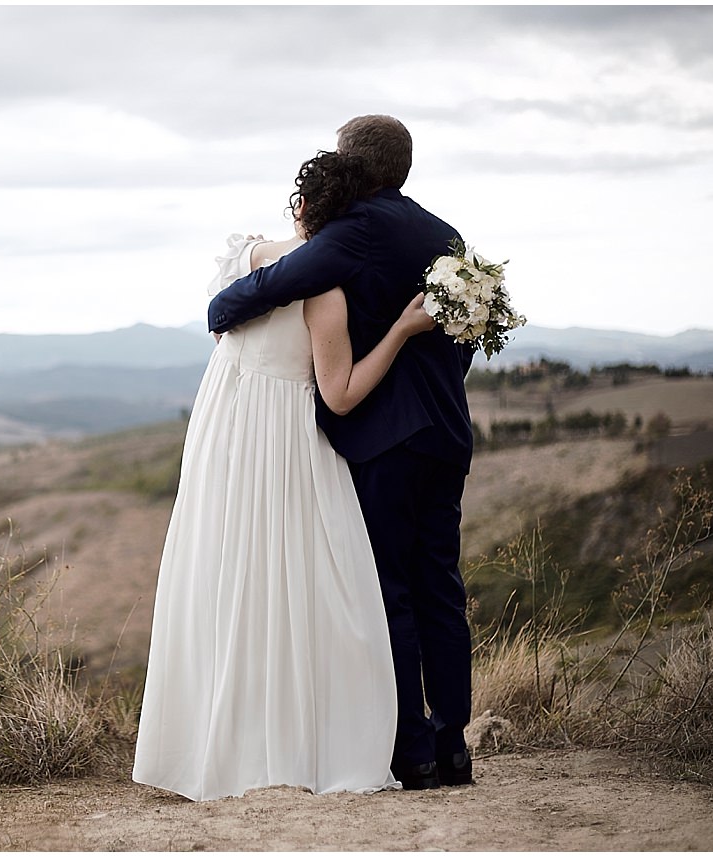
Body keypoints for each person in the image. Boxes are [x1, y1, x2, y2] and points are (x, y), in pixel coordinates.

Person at [132, 150, 434, 801]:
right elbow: (343, 393)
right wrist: (403, 330)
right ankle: (288, 740)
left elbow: (226, 337)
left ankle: (212, 741)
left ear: (299, 205)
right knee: (304, 583)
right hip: (285, 439)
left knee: (222, 572)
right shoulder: (327, 294)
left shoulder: (247, 256)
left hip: (224, 427)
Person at [207, 115, 476, 791]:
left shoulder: (358, 229)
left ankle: (411, 751)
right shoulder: (448, 237)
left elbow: (278, 284)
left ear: (351, 164)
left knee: (388, 590)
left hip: (386, 439)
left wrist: (219, 307)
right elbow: (467, 337)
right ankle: (454, 747)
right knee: (441, 588)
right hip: (446, 432)